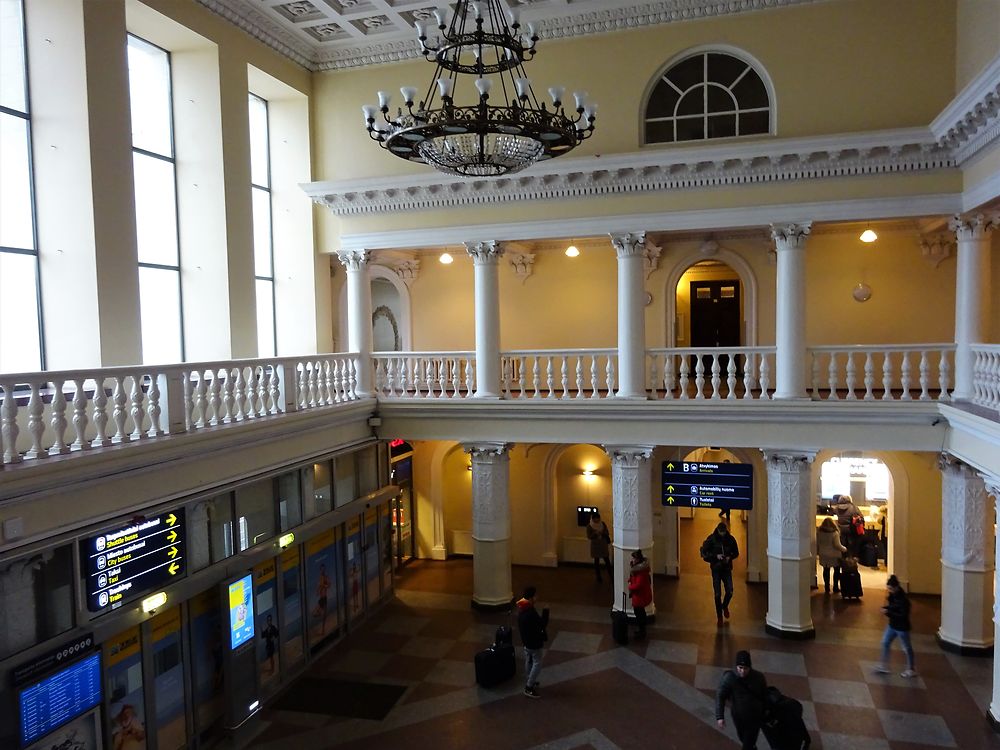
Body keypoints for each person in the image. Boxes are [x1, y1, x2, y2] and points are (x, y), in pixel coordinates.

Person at [716, 650, 768, 750]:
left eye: (745, 668)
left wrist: (764, 712)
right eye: (740, 668)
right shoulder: (730, 677)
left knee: (747, 743)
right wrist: (720, 716)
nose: (743, 671)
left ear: (750, 667)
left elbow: (764, 695)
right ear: (736, 666)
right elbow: (720, 696)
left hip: (755, 717)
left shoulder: (758, 677)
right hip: (738, 717)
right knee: (743, 738)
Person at [874, 574, 917, 677]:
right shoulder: (893, 596)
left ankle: (911, 669)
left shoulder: (904, 600)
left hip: (902, 628)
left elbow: (903, 615)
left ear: (896, 587)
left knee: (906, 648)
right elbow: (892, 607)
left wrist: (888, 612)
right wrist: (887, 608)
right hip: (892, 625)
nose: (889, 591)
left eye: (890, 589)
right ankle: (884, 665)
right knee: (885, 642)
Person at [700, 521, 739, 626]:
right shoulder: (711, 539)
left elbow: (736, 553)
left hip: (726, 568)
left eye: (723, 532)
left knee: (730, 591)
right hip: (716, 569)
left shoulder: (731, 540)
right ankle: (719, 616)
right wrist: (715, 556)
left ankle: (724, 605)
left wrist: (729, 557)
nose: (722, 534)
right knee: (717, 594)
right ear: (718, 530)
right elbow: (703, 552)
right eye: (721, 532)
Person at [516, 585, 549, 698]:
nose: (537, 597)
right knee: (537, 663)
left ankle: (529, 679)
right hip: (534, 643)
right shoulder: (530, 612)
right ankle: (529, 687)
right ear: (530, 598)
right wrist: (546, 611)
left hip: (526, 642)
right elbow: (542, 624)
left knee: (529, 660)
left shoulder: (522, 608)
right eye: (535, 595)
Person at [816, 517, 847, 594]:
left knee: (826, 570)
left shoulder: (819, 532)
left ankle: (827, 587)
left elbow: (817, 543)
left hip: (823, 554)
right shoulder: (834, 533)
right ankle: (835, 587)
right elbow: (837, 545)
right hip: (834, 555)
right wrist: (845, 549)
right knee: (836, 571)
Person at [627, 549, 652, 640]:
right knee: (640, 613)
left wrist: (630, 587)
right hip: (640, 596)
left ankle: (642, 631)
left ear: (638, 560)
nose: (632, 560)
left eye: (634, 558)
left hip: (640, 596)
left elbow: (639, 585)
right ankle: (642, 630)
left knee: (639, 614)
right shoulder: (638, 569)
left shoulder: (640, 572)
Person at [586, 512, 612, 583]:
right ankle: (598, 577)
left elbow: (607, 532)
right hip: (595, 545)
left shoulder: (602, 524)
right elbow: (589, 536)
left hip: (603, 544)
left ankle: (611, 575)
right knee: (596, 562)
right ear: (593, 519)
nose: (597, 520)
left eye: (598, 518)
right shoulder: (589, 526)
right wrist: (595, 533)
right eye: (595, 518)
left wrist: (602, 533)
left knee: (607, 561)